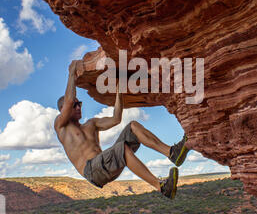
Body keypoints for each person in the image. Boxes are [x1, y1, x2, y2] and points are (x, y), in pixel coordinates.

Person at [54, 61, 190, 200]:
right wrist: (72, 74)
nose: (78, 107)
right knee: (122, 149)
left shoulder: (91, 124)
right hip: (92, 172)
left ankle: (172, 153)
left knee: (133, 126)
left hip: (106, 165)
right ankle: (161, 186)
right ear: (63, 109)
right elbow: (69, 100)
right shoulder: (61, 126)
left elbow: (116, 119)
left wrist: (119, 91)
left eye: (79, 104)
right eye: (75, 105)